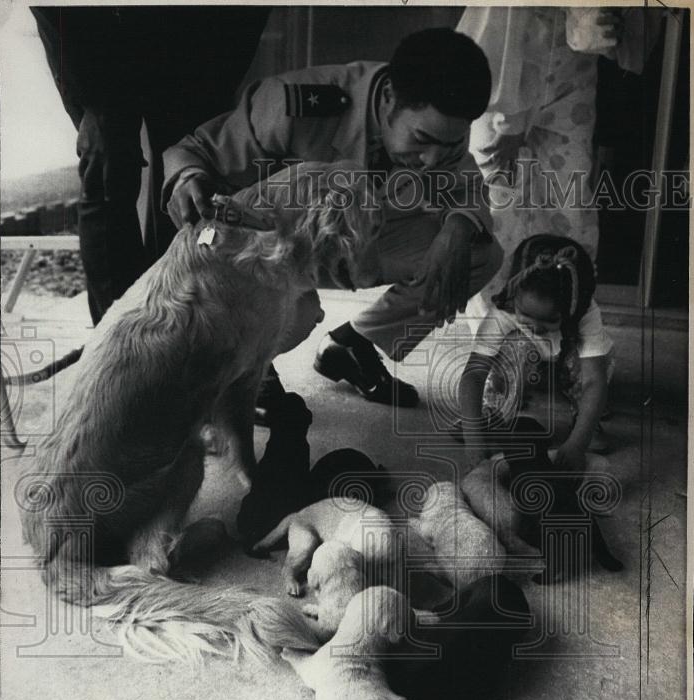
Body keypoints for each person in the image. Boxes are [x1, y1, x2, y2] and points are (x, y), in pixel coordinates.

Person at [163, 27, 502, 413]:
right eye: (422, 139)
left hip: (352, 242)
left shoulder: (442, 125)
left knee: (479, 252)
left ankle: (352, 345)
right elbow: (193, 151)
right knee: (297, 317)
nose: (432, 159)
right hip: (273, 247)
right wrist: (188, 179)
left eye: (450, 144)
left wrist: (456, 230)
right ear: (389, 98)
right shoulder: (293, 107)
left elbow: (467, 188)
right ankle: (243, 373)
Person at [31, 6, 270, 326]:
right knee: (107, 161)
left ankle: (191, 328)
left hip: (197, 29)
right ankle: (119, 337)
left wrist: (213, 87)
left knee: (193, 178)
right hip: (91, 28)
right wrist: (91, 98)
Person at [457, 6, 663, 284]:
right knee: (497, 201)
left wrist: (620, 25)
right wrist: (510, 123)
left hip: (570, 85)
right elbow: (501, 29)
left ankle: (562, 303)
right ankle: (489, 309)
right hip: (502, 82)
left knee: (570, 202)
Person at [458, 235, 614, 472]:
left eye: (550, 320)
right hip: (528, 362)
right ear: (514, 294)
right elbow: (474, 375)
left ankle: (582, 419)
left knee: (598, 365)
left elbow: (594, 380)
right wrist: (473, 440)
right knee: (516, 346)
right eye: (525, 316)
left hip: (567, 361)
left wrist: (577, 444)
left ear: (573, 307)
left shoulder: (585, 310)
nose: (537, 327)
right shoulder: (504, 310)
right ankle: (497, 410)